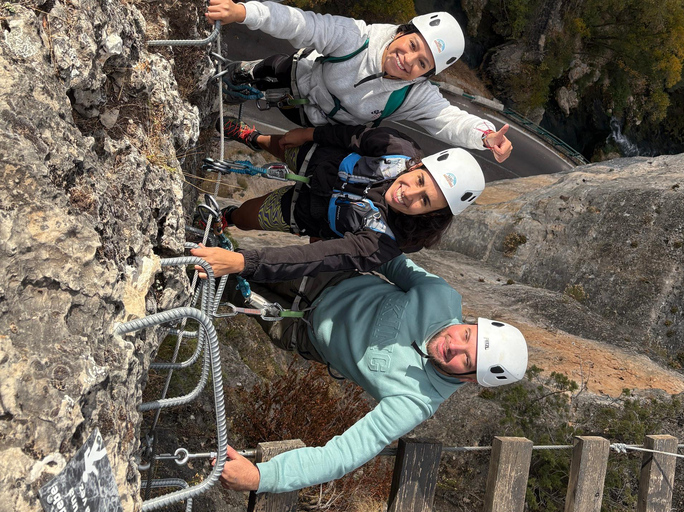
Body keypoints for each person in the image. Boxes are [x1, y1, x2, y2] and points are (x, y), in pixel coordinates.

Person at [205, 253, 529, 494]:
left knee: (221, 288)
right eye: (468, 335)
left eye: (466, 360)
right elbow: (388, 257)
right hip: (323, 275)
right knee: (233, 258)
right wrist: (335, 244)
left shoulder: (415, 401)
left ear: (470, 379)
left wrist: (263, 478)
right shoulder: (440, 296)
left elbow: (344, 454)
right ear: (473, 324)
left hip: (301, 331)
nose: (454, 345)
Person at [204, 0, 514, 162]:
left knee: (305, 157)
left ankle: (249, 136)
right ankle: (228, 80)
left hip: (319, 125)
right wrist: (244, 12)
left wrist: (485, 136)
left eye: (422, 63)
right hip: (296, 79)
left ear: (426, 76)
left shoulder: (413, 95)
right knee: (254, 73)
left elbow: (449, 120)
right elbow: (302, 24)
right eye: (413, 45)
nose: (409, 60)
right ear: (402, 32)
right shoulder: (357, 37)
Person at [191, 123, 485, 282]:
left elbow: (315, 259)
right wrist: (310, 134)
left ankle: (228, 215)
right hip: (319, 161)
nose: (408, 195)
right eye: (420, 182)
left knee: (248, 217)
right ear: (417, 167)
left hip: (308, 212)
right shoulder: (397, 150)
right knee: (278, 144)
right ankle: (254, 137)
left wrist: (243, 262)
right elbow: (355, 135)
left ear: (430, 215)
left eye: (424, 201)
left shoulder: (385, 242)